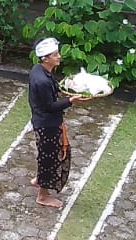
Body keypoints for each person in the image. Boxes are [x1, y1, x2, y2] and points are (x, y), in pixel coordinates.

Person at [28, 37, 91, 208]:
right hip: (47, 124)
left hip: (42, 121)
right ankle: (43, 195)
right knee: (50, 158)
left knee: (44, 154)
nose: (59, 57)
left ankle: (38, 179)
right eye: (55, 55)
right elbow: (50, 106)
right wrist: (71, 100)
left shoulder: (38, 70)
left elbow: (51, 91)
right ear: (46, 58)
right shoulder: (42, 80)